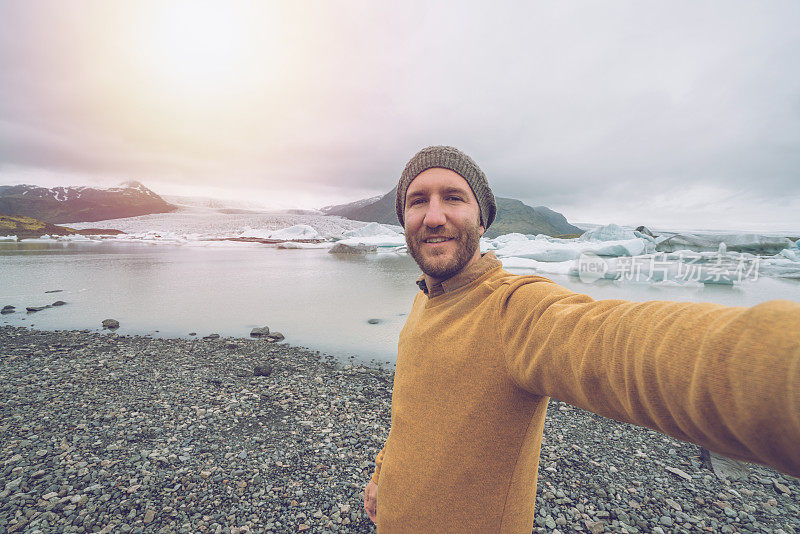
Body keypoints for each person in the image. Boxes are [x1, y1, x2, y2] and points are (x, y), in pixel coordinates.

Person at [362, 145, 800, 533]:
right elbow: (411, 410)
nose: (434, 216)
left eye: (453, 197)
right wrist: (383, 475)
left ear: (483, 218)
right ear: (404, 219)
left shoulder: (514, 310)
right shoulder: (425, 297)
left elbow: (621, 345)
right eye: (418, 201)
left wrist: (775, 371)